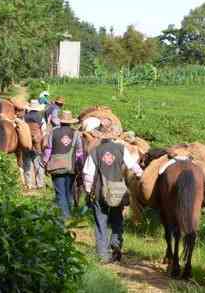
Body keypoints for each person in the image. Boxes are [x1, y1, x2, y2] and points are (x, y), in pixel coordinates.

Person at [82, 123, 143, 264]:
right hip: (117, 190)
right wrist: (140, 174)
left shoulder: (95, 151)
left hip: (99, 190)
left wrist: (88, 191)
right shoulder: (121, 149)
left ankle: (102, 254)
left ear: (100, 136)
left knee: (100, 221)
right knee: (117, 219)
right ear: (113, 136)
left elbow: (88, 175)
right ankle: (116, 243)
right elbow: (134, 167)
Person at [43, 110, 84, 220]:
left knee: (60, 192)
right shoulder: (76, 134)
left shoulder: (53, 132)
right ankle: (69, 212)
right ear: (70, 122)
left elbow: (48, 149)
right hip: (71, 166)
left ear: (60, 121)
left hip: (56, 166)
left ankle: (64, 216)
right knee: (68, 191)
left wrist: (45, 161)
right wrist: (80, 165)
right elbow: (80, 152)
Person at [23, 99, 46, 189]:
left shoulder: (25, 117)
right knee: (38, 163)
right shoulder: (41, 118)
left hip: (26, 142)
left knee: (27, 162)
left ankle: (29, 184)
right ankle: (39, 184)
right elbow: (44, 131)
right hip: (37, 143)